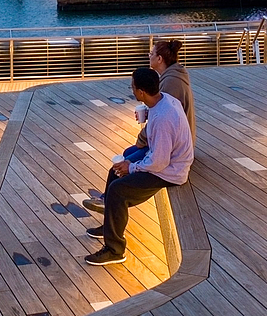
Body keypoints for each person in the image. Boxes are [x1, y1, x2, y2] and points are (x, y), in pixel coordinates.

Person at [82, 67, 194, 266]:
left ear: (141, 92)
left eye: (132, 87)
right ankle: (109, 225)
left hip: (170, 171)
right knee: (115, 170)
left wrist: (132, 168)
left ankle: (115, 250)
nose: (131, 90)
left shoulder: (162, 119)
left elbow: (159, 162)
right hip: (163, 157)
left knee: (118, 189)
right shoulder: (164, 100)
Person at [84, 39, 197, 214]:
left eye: (151, 54)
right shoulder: (167, 83)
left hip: (172, 163)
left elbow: (160, 159)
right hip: (169, 149)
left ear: (159, 59)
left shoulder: (170, 86)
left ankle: (110, 207)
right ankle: (108, 206)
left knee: (120, 181)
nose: (148, 56)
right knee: (123, 161)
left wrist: (133, 162)